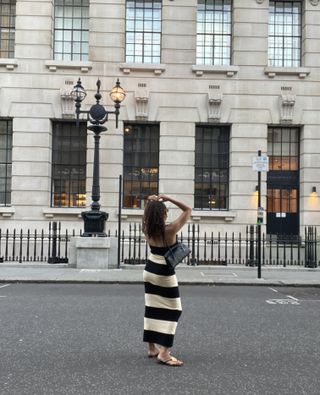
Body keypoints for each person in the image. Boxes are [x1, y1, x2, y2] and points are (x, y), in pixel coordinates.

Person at [142, 194, 192, 366]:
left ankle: (151, 347)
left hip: (149, 269)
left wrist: (150, 203)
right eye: (165, 212)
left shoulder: (146, 228)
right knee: (174, 310)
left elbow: (147, 215)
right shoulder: (170, 230)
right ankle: (164, 353)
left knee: (152, 307)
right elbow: (188, 209)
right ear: (162, 214)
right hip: (164, 271)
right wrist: (168, 198)